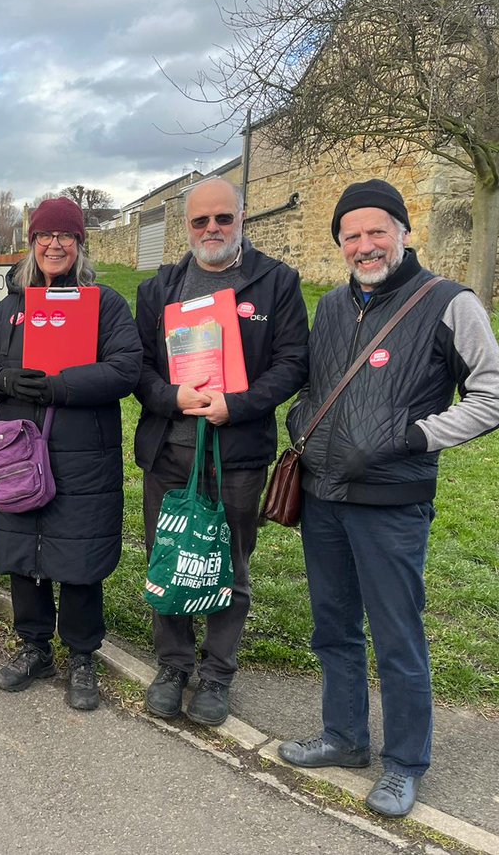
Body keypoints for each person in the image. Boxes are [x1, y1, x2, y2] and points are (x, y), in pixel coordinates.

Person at [278, 179, 499, 818]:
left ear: (406, 233)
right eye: (352, 235)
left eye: (378, 231)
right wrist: (301, 421)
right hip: (323, 495)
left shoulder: (449, 304)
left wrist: (413, 437)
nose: (366, 244)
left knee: (397, 637)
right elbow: (315, 386)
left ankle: (405, 763)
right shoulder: (328, 308)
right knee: (333, 627)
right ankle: (345, 737)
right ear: (340, 243)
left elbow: (489, 397)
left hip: (392, 503)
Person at [134, 176, 308, 727]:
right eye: (200, 221)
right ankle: (173, 664)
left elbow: (293, 364)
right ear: (187, 226)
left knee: (228, 564)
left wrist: (238, 404)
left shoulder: (276, 282)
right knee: (169, 558)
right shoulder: (159, 288)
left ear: (242, 218)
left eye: (223, 219)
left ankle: (217, 673)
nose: (211, 229)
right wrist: (170, 396)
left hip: (237, 453)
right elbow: (136, 367)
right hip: (169, 450)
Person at [0, 197, 141, 709]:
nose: (55, 244)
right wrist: (4, 378)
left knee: (79, 552)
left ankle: (82, 656)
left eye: (66, 236)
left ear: (80, 244)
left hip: (82, 451)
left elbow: (126, 368)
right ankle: (34, 645)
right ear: (32, 244)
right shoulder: (11, 309)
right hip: (18, 448)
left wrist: (62, 386)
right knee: (24, 546)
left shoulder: (105, 304)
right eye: (45, 236)